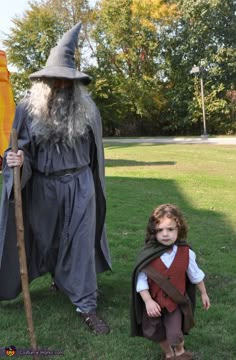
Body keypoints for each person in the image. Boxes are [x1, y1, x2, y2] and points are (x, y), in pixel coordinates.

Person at [0, 23, 111, 335]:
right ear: (44, 80)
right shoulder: (26, 108)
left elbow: (95, 158)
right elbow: (20, 150)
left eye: (67, 80)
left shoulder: (89, 111)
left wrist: (92, 190)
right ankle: (59, 280)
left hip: (80, 187)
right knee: (45, 241)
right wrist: (17, 161)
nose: (61, 85)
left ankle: (87, 304)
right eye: (55, 79)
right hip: (42, 189)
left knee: (80, 244)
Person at [130, 204, 210, 359]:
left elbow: (196, 275)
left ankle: (180, 351)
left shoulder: (186, 253)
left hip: (174, 304)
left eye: (170, 229)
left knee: (175, 333)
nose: (165, 234)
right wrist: (148, 301)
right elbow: (141, 281)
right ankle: (168, 353)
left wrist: (204, 293)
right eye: (160, 230)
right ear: (154, 231)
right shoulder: (149, 254)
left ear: (179, 229)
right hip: (154, 304)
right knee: (156, 333)